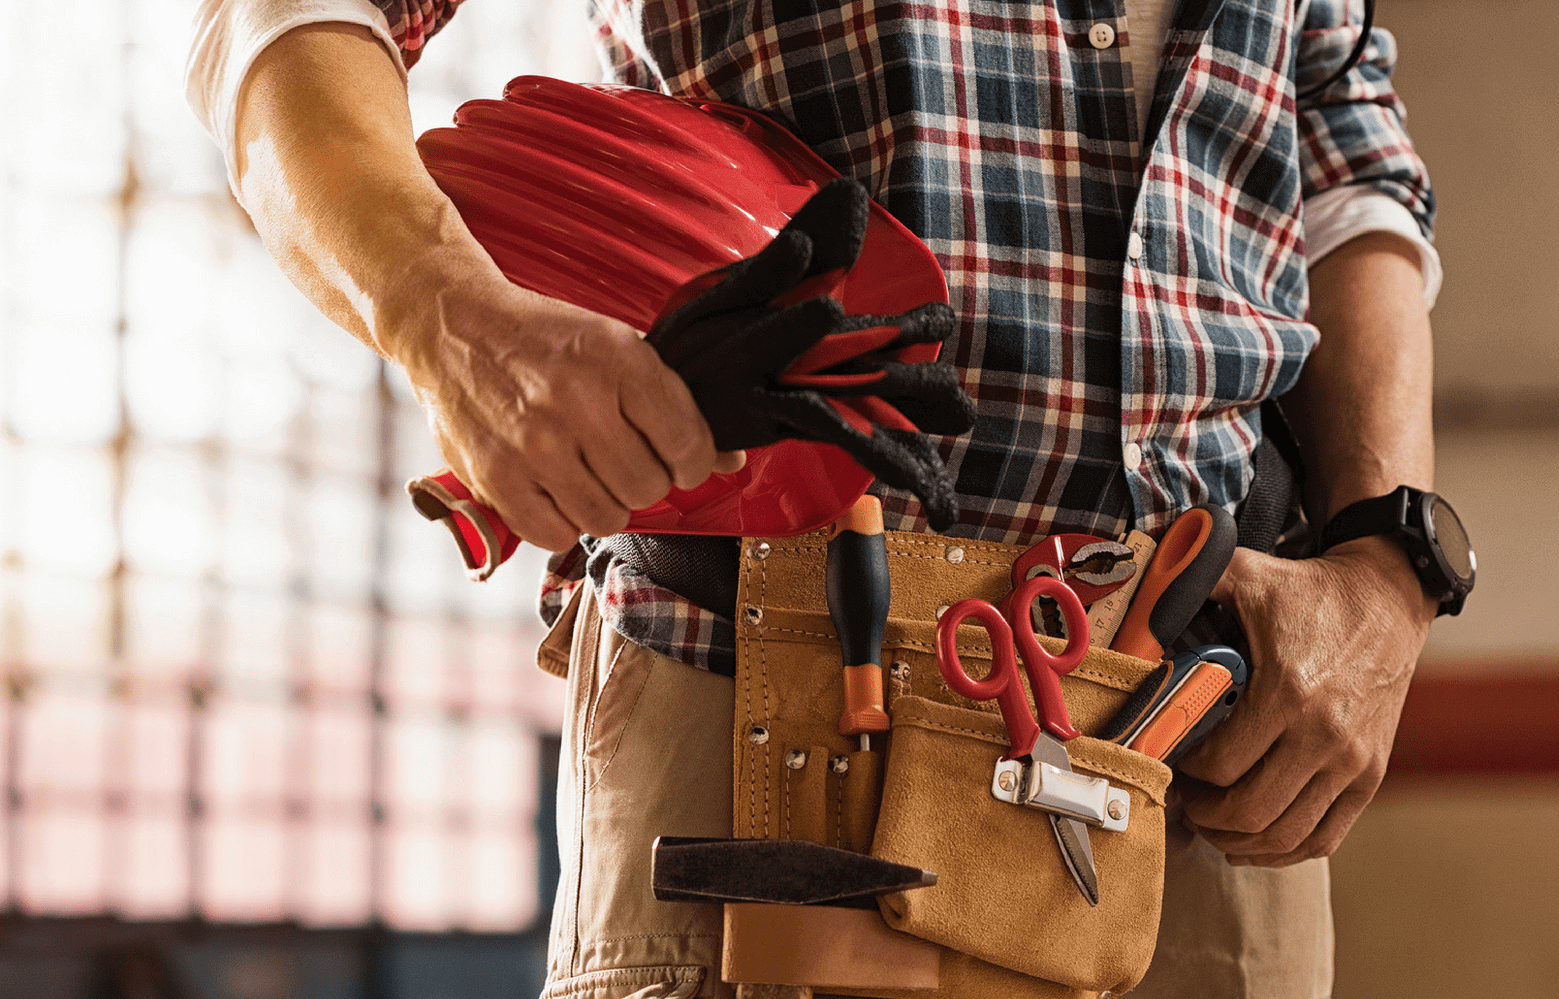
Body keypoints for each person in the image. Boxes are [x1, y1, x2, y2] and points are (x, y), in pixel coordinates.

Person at [186, 0, 1447, 995]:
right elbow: (279, 14)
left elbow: (1343, 148)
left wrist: (1391, 567)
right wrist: (446, 318)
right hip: (772, 723)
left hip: (1208, 751)